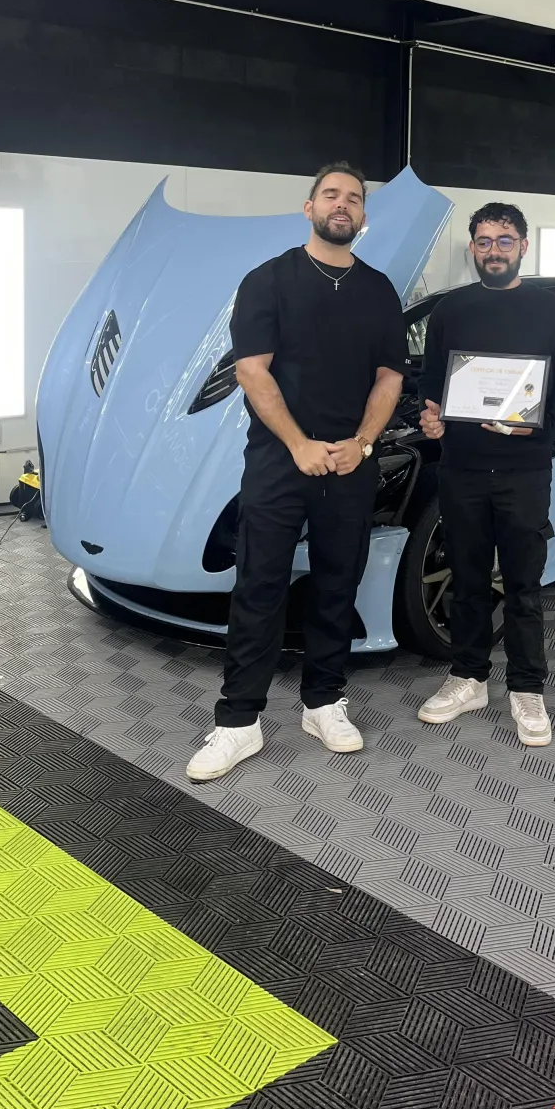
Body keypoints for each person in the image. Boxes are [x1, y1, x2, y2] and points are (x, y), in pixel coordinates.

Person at [186, 164, 407, 782]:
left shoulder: (379, 291)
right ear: (309, 207)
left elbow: (389, 377)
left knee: (338, 581)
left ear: (363, 216)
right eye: (331, 195)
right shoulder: (268, 280)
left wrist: (362, 443)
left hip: (351, 462)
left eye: (354, 199)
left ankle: (324, 702)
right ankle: (238, 721)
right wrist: (299, 444)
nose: (342, 205)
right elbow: (251, 371)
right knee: (259, 584)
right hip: (279, 462)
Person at [417, 204, 555, 746]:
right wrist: (430, 415)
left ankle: (526, 687)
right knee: (467, 581)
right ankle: (468, 678)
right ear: (472, 247)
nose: (494, 250)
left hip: (524, 470)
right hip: (462, 468)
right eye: (484, 241)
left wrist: (538, 429)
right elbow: (432, 381)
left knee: (522, 585)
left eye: (505, 240)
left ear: (523, 246)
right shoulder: (451, 309)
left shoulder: (553, 312)